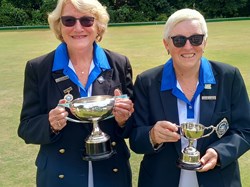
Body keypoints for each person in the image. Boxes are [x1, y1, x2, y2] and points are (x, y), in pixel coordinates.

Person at [17, 0, 134, 186]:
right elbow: (26, 128)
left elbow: (131, 128)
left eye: (87, 20)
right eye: (69, 20)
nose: (78, 28)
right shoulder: (38, 68)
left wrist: (123, 120)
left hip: (111, 173)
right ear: (59, 26)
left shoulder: (119, 63)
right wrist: (50, 124)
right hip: (60, 176)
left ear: (98, 26)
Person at [129, 8, 250, 187]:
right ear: (166, 44)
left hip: (218, 180)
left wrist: (219, 153)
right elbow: (135, 138)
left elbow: (245, 130)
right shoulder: (147, 81)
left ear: (205, 42)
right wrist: (152, 135)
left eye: (195, 39)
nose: (187, 47)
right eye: (178, 40)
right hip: (160, 180)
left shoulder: (228, 76)